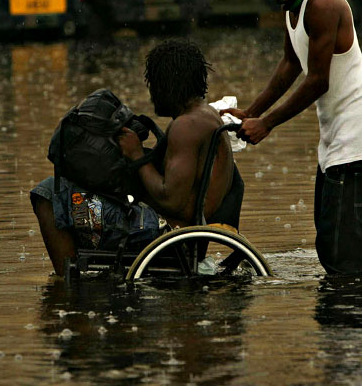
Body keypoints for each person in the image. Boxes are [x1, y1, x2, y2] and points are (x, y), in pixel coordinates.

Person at [221, 0, 362, 275]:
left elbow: (317, 80)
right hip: (335, 130)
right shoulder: (292, 9)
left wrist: (266, 124)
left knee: (348, 237)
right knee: (330, 232)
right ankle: (354, 293)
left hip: (357, 126)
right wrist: (251, 112)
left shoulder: (322, 4)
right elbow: (290, 65)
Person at [31, 40, 244, 276]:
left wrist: (136, 154)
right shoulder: (204, 115)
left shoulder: (187, 125)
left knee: (48, 194)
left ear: (167, 84)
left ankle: (68, 288)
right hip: (180, 229)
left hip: (166, 233)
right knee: (75, 191)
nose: (152, 93)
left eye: (153, 84)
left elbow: (172, 200)